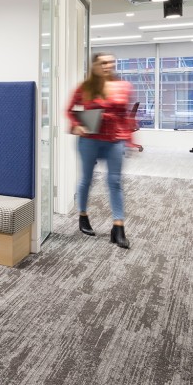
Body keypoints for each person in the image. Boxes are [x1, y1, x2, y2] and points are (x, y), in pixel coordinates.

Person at [67, 52, 133, 249]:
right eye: (103, 63)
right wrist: (77, 124)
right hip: (90, 139)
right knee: (87, 178)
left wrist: (129, 139)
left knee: (115, 181)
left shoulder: (123, 87)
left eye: (111, 62)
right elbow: (70, 110)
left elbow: (126, 116)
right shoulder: (85, 87)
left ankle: (118, 227)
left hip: (115, 139)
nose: (107, 66)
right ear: (94, 65)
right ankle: (83, 216)